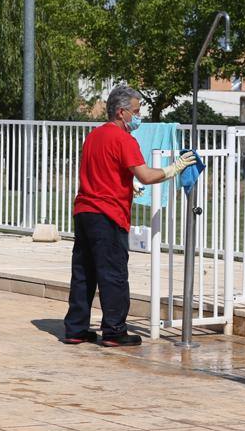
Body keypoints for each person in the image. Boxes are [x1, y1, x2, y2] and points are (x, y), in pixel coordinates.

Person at [62, 85, 195, 347]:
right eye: (136, 111)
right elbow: (146, 175)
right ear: (122, 113)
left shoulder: (94, 136)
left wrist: (126, 184)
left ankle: (75, 329)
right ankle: (114, 331)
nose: (139, 116)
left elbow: (101, 169)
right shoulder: (124, 140)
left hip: (84, 211)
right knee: (113, 273)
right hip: (108, 214)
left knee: (83, 272)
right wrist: (174, 169)